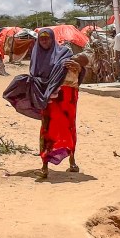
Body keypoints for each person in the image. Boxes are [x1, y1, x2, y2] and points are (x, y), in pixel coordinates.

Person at [27, 28, 86, 179]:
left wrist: (77, 67)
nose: (45, 41)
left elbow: (78, 70)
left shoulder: (64, 53)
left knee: (69, 126)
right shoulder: (36, 56)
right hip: (48, 98)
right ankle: (44, 166)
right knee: (47, 128)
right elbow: (34, 77)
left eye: (47, 38)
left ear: (53, 39)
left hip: (66, 98)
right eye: (42, 39)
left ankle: (72, 162)